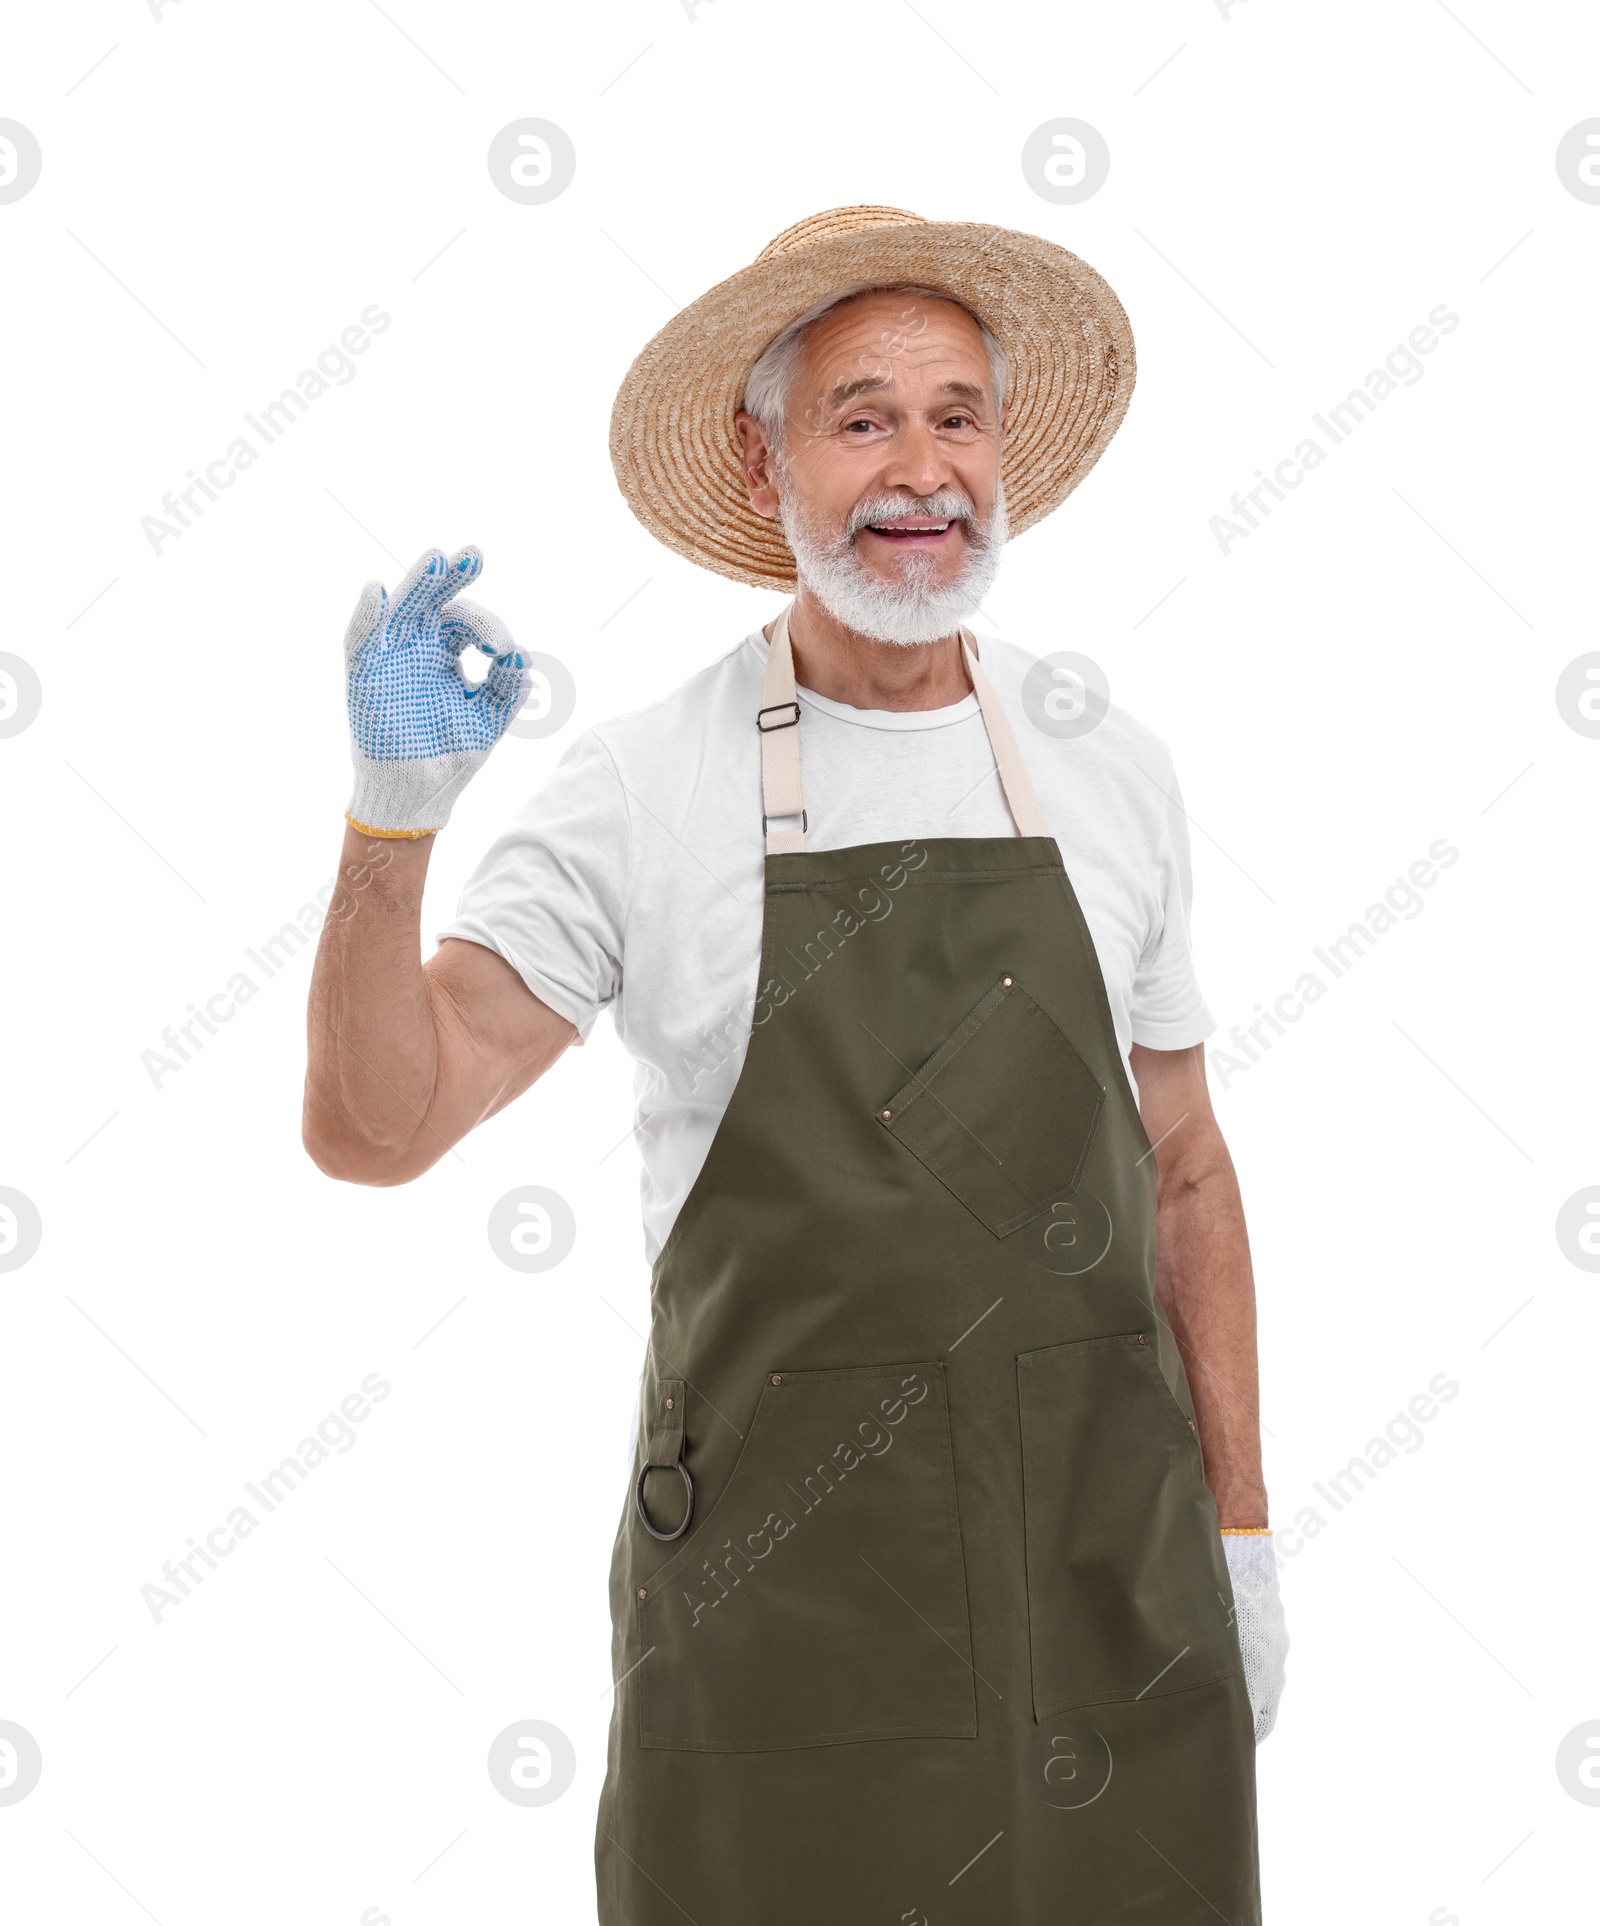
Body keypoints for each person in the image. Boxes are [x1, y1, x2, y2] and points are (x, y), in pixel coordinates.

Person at [304, 205, 1288, 1926]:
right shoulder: (644, 788)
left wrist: (1244, 1537)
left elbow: (1189, 1165)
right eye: (861, 417)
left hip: (1102, 1606)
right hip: (784, 1639)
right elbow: (376, 1131)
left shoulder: (1106, 767)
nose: (923, 468)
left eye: (957, 413)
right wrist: (395, 830)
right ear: (765, 465)